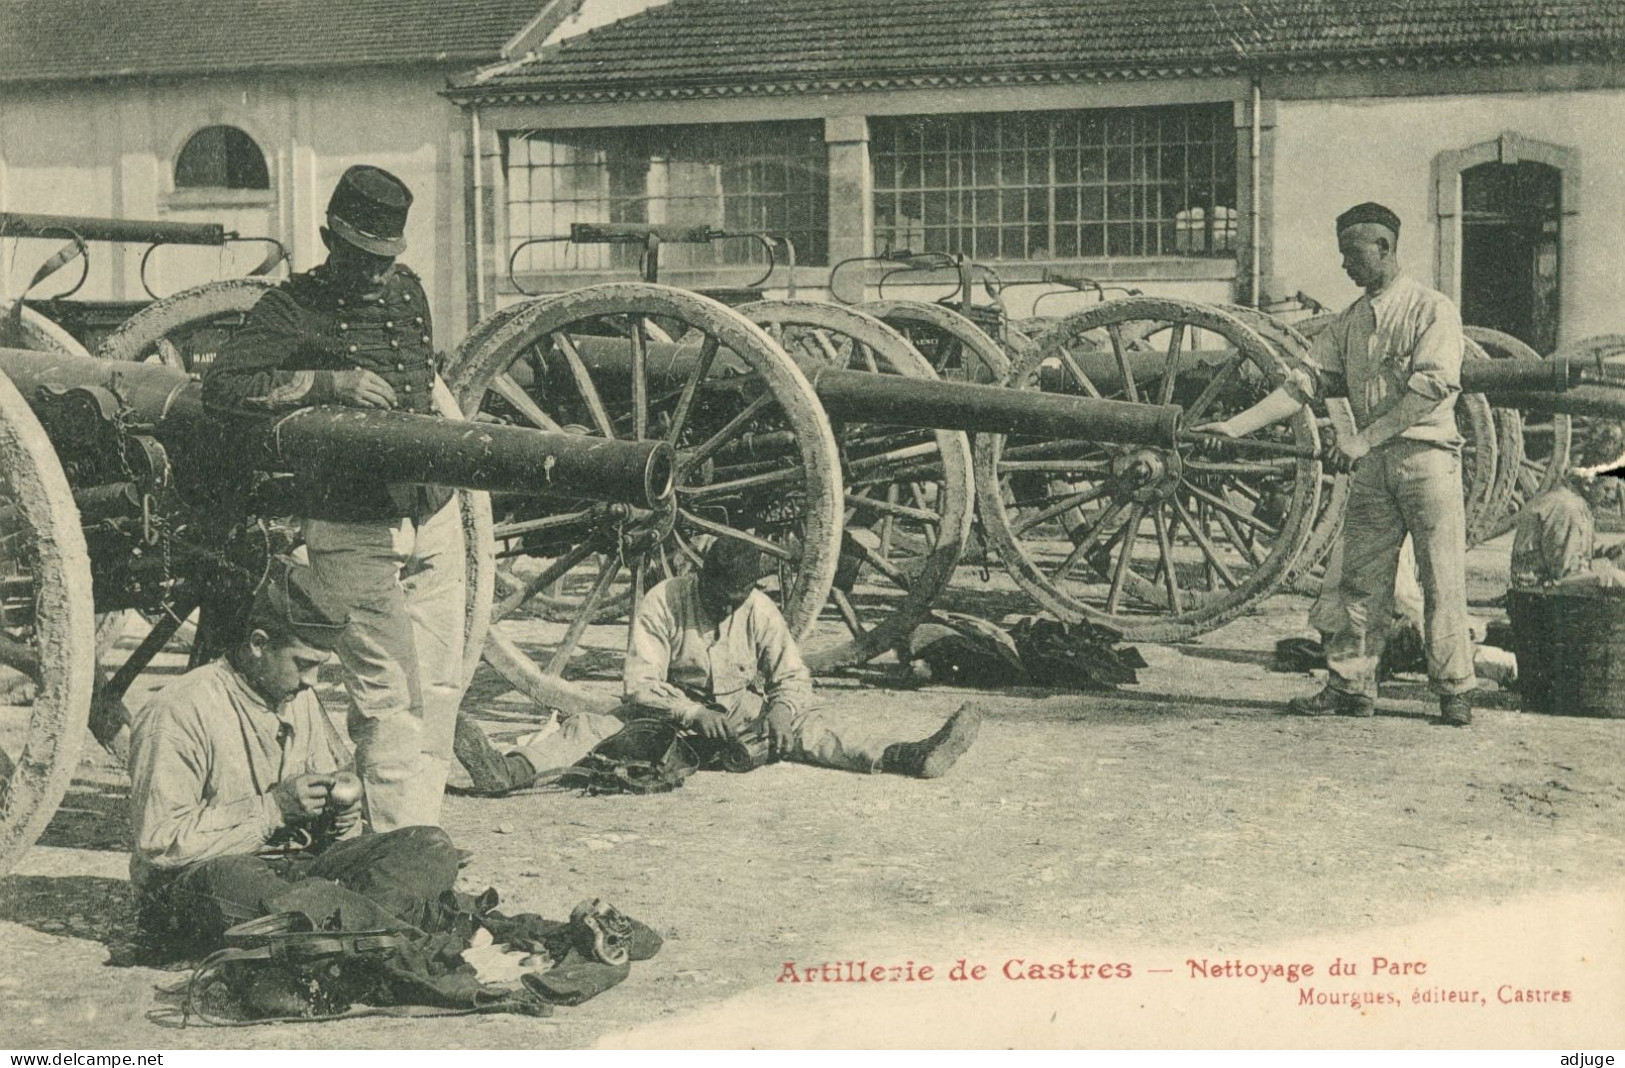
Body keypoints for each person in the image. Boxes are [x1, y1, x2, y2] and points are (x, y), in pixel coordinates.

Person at [203, 165, 466, 831]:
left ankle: (419, 835)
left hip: (430, 510)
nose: (378, 274)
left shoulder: (408, 291)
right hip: (350, 523)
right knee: (387, 698)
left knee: (436, 687)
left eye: (387, 259)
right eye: (363, 258)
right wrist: (327, 383)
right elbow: (224, 386)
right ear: (329, 241)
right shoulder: (292, 307)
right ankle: (393, 843)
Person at [1197, 202, 1476, 726]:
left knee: (1442, 577)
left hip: (1427, 459)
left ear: (1385, 248)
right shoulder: (1350, 320)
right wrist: (1233, 428)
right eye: (1343, 254)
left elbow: (1431, 389)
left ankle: (1454, 690)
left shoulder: (1433, 309)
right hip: (1372, 467)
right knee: (1360, 581)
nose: (1345, 265)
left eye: (1353, 254)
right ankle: (1350, 685)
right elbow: (1303, 385)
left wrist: (1363, 438)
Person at [463, 538, 982, 793]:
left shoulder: (757, 608)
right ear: (701, 577)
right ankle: (509, 771)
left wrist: (780, 711)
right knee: (590, 725)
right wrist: (690, 713)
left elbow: (793, 676)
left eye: (740, 597)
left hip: (738, 713)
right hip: (665, 717)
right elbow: (640, 683)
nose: (730, 607)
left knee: (812, 728)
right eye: (722, 596)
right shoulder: (665, 600)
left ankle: (903, 757)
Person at [128, 560, 461, 955]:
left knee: (430, 846)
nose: (311, 682)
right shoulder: (179, 711)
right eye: (303, 664)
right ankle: (377, 929)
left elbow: (333, 832)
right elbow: (160, 844)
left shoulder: (298, 699)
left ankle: (336, 929)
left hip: (292, 876)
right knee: (233, 877)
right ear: (258, 644)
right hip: (200, 883)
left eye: (319, 667)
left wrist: (339, 814)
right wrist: (273, 809)